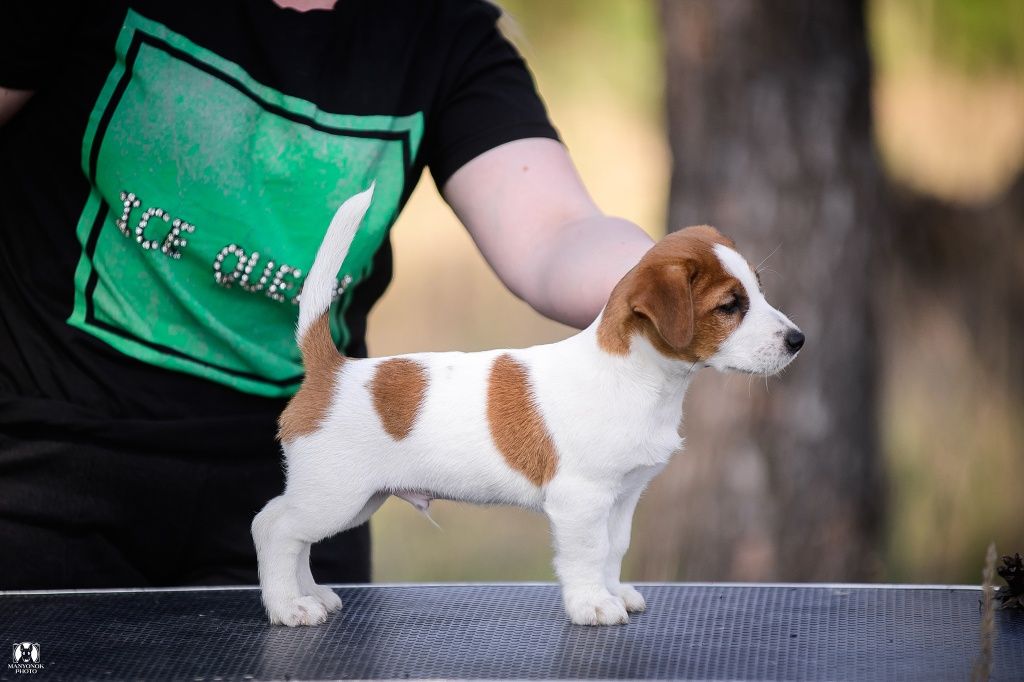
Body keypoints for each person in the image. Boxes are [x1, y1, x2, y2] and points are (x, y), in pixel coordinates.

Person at [0, 0, 653, 588]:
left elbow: (556, 234)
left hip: (305, 460)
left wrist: (679, 280)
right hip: (44, 460)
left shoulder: (445, 35)